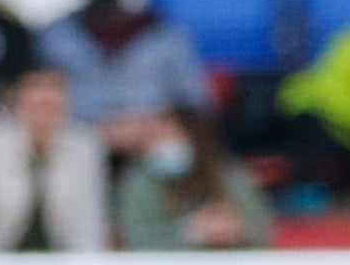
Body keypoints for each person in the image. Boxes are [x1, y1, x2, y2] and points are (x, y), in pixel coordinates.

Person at [35, 0, 212, 161]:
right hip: (75, 149)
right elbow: (38, 99)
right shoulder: (57, 36)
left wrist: (151, 126)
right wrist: (94, 130)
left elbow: (194, 103)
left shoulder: (164, 35)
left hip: (151, 149)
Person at [0, 62, 108, 251]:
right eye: (35, 90)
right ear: (16, 97)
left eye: (54, 90)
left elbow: (89, 228)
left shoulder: (85, 147)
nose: (45, 99)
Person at [112, 105, 270, 248]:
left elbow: (262, 228)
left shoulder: (226, 171)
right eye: (157, 137)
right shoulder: (139, 180)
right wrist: (191, 234)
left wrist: (235, 229)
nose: (164, 143)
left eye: (172, 135)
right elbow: (138, 240)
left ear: (195, 138)